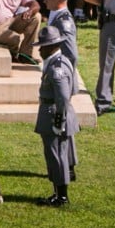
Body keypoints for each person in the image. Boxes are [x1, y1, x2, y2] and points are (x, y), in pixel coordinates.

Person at [33, 25, 79, 208]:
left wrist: (58, 122)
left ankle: (61, 196)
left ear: (51, 46)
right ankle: (58, 192)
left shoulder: (56, 68)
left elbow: (62, 98)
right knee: (56, 154)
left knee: (56, 155)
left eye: (42, 46)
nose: (40, 49)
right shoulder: (62, 61)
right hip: (54, 112)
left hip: (55, 114)